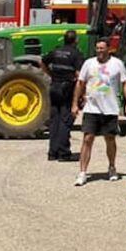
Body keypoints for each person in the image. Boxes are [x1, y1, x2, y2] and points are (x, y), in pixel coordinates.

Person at [72, 38, 126, 186]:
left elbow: (125, 83)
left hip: (110, 108)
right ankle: (83, 172)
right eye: (97, 48)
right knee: (87, 138)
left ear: (108, 49)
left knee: (110, 139)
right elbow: (80, 83)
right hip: (92, 107)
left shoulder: (117, 64)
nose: (99, 51)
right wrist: (75, 104)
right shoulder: (89, 63)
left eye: (102, 48)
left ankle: (112, 167)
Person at [43, 30, 83, 161]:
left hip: (54, 87)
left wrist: (51, 74)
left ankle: (52, 152)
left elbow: (42, 62)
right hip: (66, 89)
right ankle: (63, 153)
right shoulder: (76, 54)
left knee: (54, 120)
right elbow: (78, 75)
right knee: (65, 121)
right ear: (75, 40)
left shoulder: (56, 51)